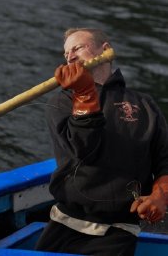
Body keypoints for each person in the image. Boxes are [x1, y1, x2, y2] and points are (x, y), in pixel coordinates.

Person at [35, 28, 168, 255]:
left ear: (105, 50)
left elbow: (165, 160)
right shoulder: (61, 101)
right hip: (65, 223)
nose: (70, 57)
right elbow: (83, 148)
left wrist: (160, 196)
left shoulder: (144, 105)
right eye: (66, 53)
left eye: (77, 48)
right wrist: (85, 95)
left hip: (119, 230)